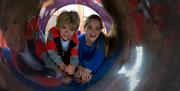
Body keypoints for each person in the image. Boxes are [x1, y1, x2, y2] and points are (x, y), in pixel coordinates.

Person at [36, 11, 80, 84]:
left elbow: (74, 57)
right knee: (44, 55)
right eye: (64, 27)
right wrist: (61, 65)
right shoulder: (52, 33)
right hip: (53, 56)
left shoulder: (75, 41)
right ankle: (52, 72)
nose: (67, 32)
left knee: (73, 68)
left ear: (75, 31)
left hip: (64, 57)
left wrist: (72, 66)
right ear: (58, 26)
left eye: (71, 29)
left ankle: (62, 75)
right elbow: (51, 52)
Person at [74, 14, 109, 84]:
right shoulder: (78, 40)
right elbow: (76, 56)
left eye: (97, 28)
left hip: (93, 65)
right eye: (90, 27)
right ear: (84, 28)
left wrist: (88, 71)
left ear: (100, 30)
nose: (93, 32)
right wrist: (79, 68)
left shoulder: (101, 41)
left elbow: (99, 57)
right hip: (82, 64)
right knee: (77, 77)